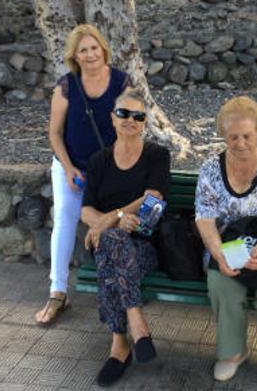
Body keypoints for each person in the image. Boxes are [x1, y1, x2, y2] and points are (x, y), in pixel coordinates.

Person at [194, 96, 257, 386]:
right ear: (223, 136)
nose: (240, 143)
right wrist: (217, 252)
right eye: (232, 137)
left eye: (247, 136)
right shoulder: (210, 170)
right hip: (228, 242)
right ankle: (233, 352)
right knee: (222, 283)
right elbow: (204, 218)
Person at [35, 24, 131, 326]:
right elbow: (54, 132)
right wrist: (67, 167)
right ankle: (57, 291)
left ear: (103, 49)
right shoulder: (66, 86)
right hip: (72, 165)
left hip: (110, 167)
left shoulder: (120, 82)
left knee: (117, 221)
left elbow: (131, 127)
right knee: (64, 219)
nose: (90, 55)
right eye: (83, 50)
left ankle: (125, 288)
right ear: (74, 56)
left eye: (94, 48)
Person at [79, 89, 170, 386]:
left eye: (138, 116)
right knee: (113, 241)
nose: (130, 120)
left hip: (144, 245)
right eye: (123, 113)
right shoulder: (99, 160)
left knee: (111, 243)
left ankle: (120, 344)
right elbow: (86, 211)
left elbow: (153, 198)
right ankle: (135, 320)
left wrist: (110, 218)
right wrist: (113, 222)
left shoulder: (157, 155)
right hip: (110, 242)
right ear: (112, 118)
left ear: (145, 122)